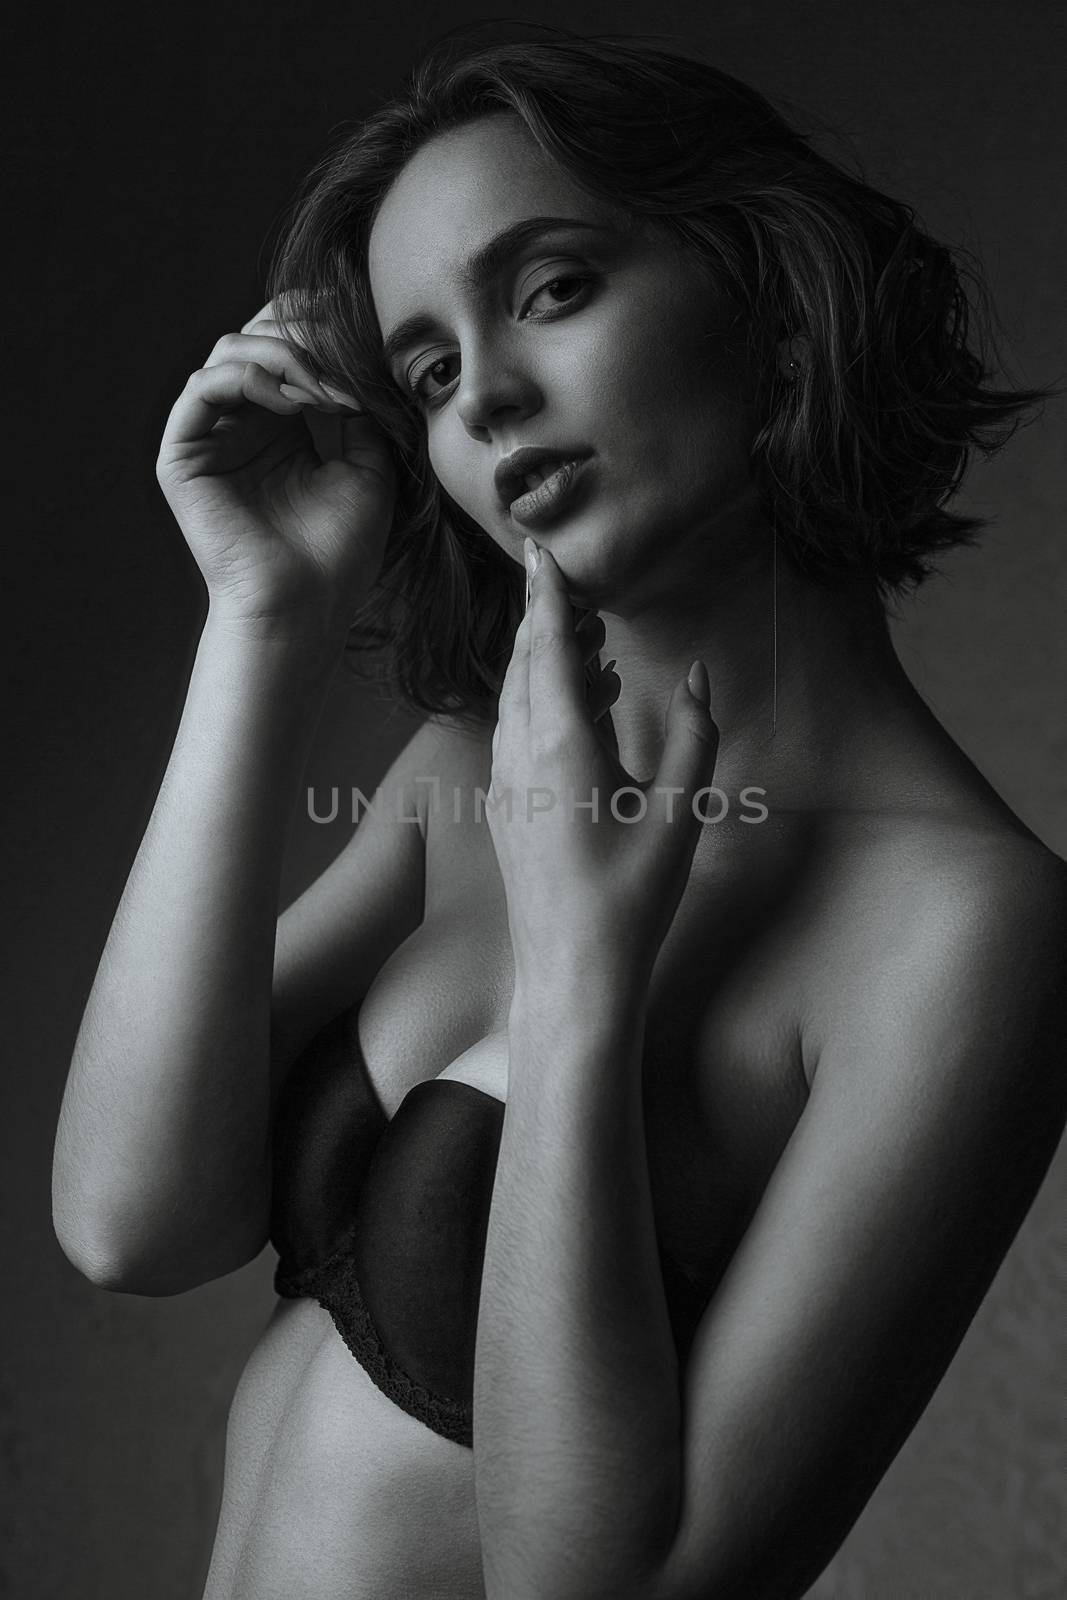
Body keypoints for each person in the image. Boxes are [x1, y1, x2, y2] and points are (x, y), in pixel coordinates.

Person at [52, 30, 1067, 1600]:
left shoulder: (961, 927)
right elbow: (133, 1221)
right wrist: (263, 626)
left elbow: (610, 1584)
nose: (493, 400)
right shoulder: (466, 781)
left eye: (552, 289)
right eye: (432, 376)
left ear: (770, 298)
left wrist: (586, 977)